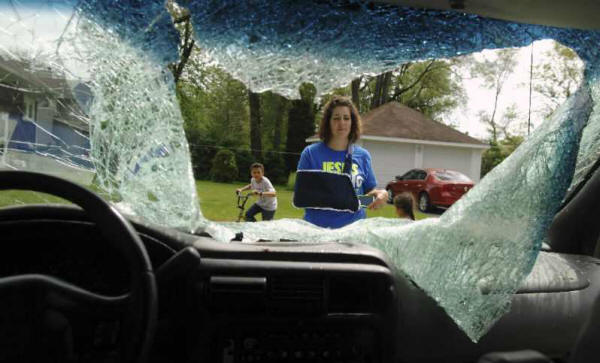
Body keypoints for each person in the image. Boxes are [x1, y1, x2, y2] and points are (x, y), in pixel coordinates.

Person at [296, 95, 388, 228]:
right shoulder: (310, 154)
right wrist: (337, 200)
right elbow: (302, 197)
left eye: (346, 118)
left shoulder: (363, 156)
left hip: (354, 233)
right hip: (318, 231)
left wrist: (380, 195)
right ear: (328, 122)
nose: (342, 123)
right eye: (336, 118)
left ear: (352, 122)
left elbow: (362, 199)